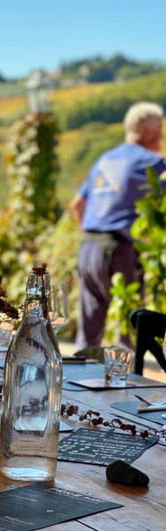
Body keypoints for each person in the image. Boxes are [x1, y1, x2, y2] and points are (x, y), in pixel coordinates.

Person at [70, 102, 166, 351]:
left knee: (88, 335)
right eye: (160, 129)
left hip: (88, 248)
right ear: (147, 131)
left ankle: (80, 370)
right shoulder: (153, 163)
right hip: (119, 251)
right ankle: (131, 375)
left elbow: (77, 205)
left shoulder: (105, 160)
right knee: (130, 331)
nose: (162, 135)